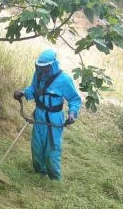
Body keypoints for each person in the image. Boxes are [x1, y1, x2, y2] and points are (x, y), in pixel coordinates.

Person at [14, 49, 81, 181]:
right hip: (39, 115)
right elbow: (34, 88)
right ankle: (40, 173)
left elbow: (74, 98)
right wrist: (23, 93)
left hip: (54, 118)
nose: (41, 69)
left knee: (52, 149)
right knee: (37, 146)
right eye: (40, 66)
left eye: (44, 67)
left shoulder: (64, 79)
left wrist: (72, 113)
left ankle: (54, 178)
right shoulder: (38, 74)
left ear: (52, 64)